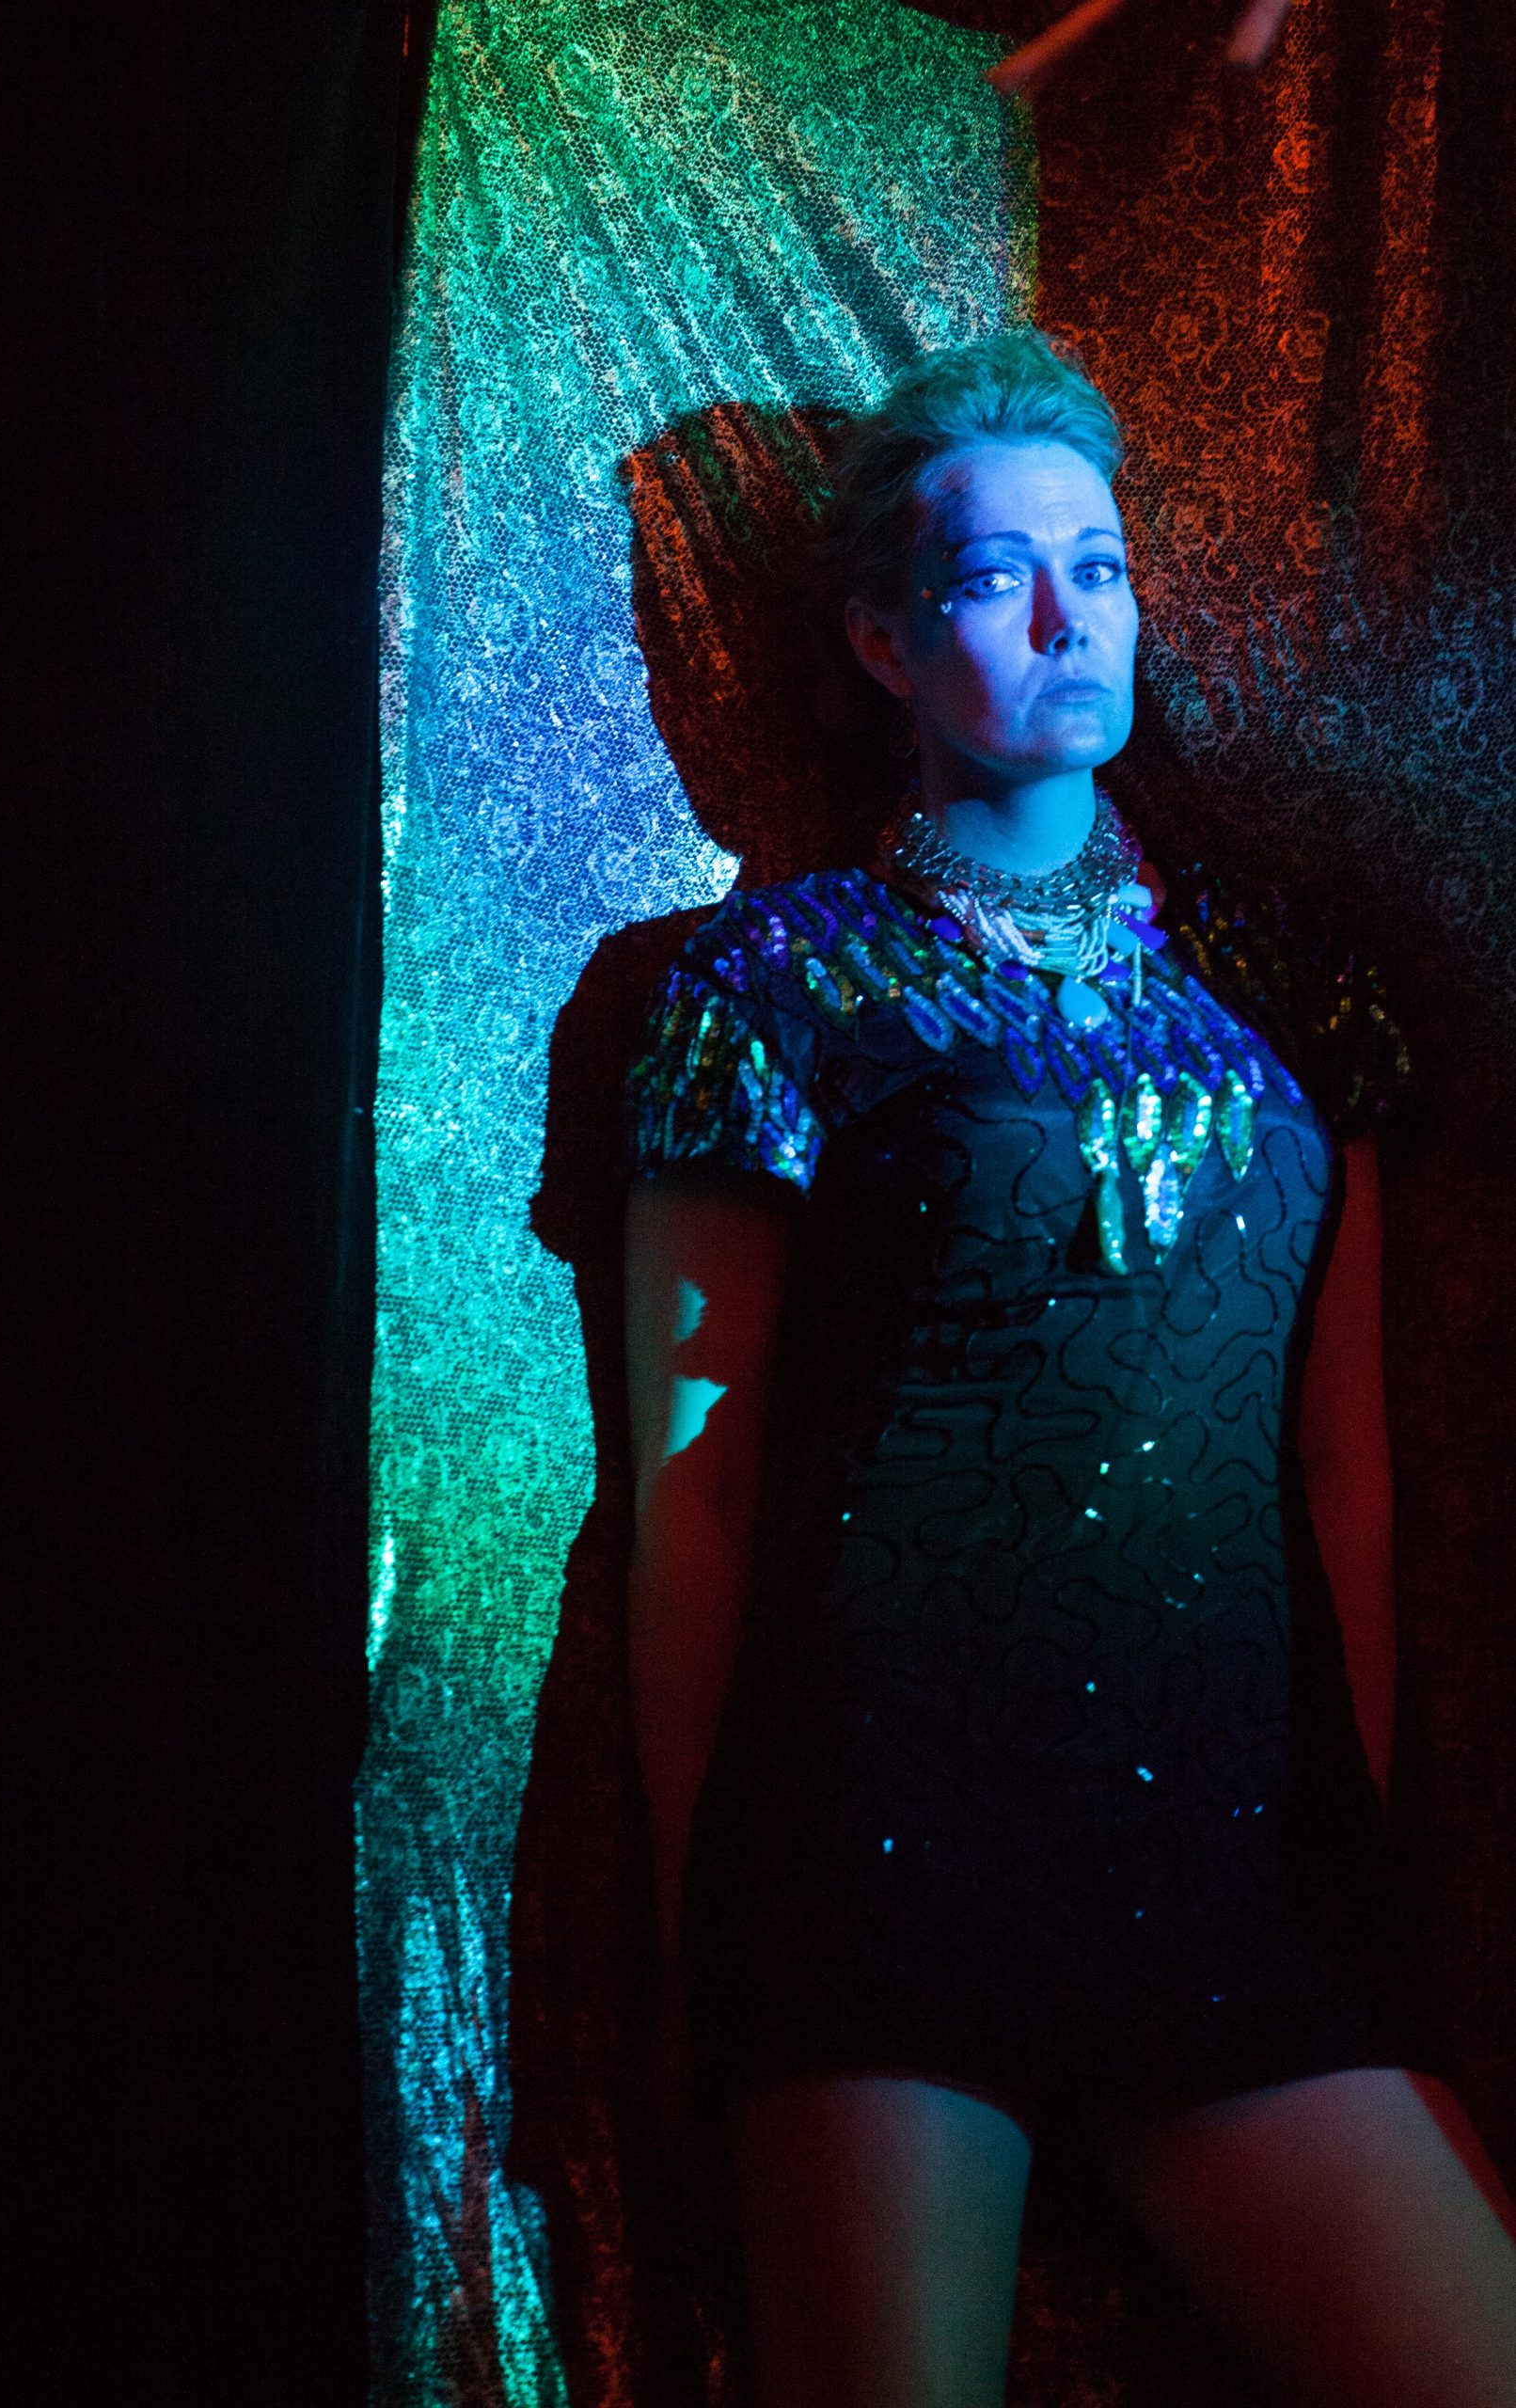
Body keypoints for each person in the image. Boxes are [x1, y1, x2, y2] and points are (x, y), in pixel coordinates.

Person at [620, 330, 1516, 2408]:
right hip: (875, 1841)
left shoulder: (1286, 975)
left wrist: (1355, 1855)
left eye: (1096, 566)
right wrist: (688, 1927)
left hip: (1234, 1859)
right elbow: (694, 1491)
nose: (1061, 617)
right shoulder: (767, 983)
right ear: (878, 640)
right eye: (990, 576)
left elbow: (1341, 1468)